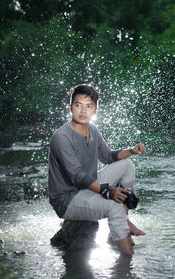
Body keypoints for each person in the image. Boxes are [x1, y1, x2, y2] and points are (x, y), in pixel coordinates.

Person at [48, 83, 146, 255]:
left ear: (95, 110)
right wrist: (108, 191)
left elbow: (107, 156)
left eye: (89, 106)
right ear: (70, 108)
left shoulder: (92, 129)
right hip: (67, 199)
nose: (83, 111)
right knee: (113, 206)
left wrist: (131, 151)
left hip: (87, 189)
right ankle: (127, 263)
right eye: (78, 105)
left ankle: (123, 221)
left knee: (127, 165)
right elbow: (77, 176)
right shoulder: (61, 137)